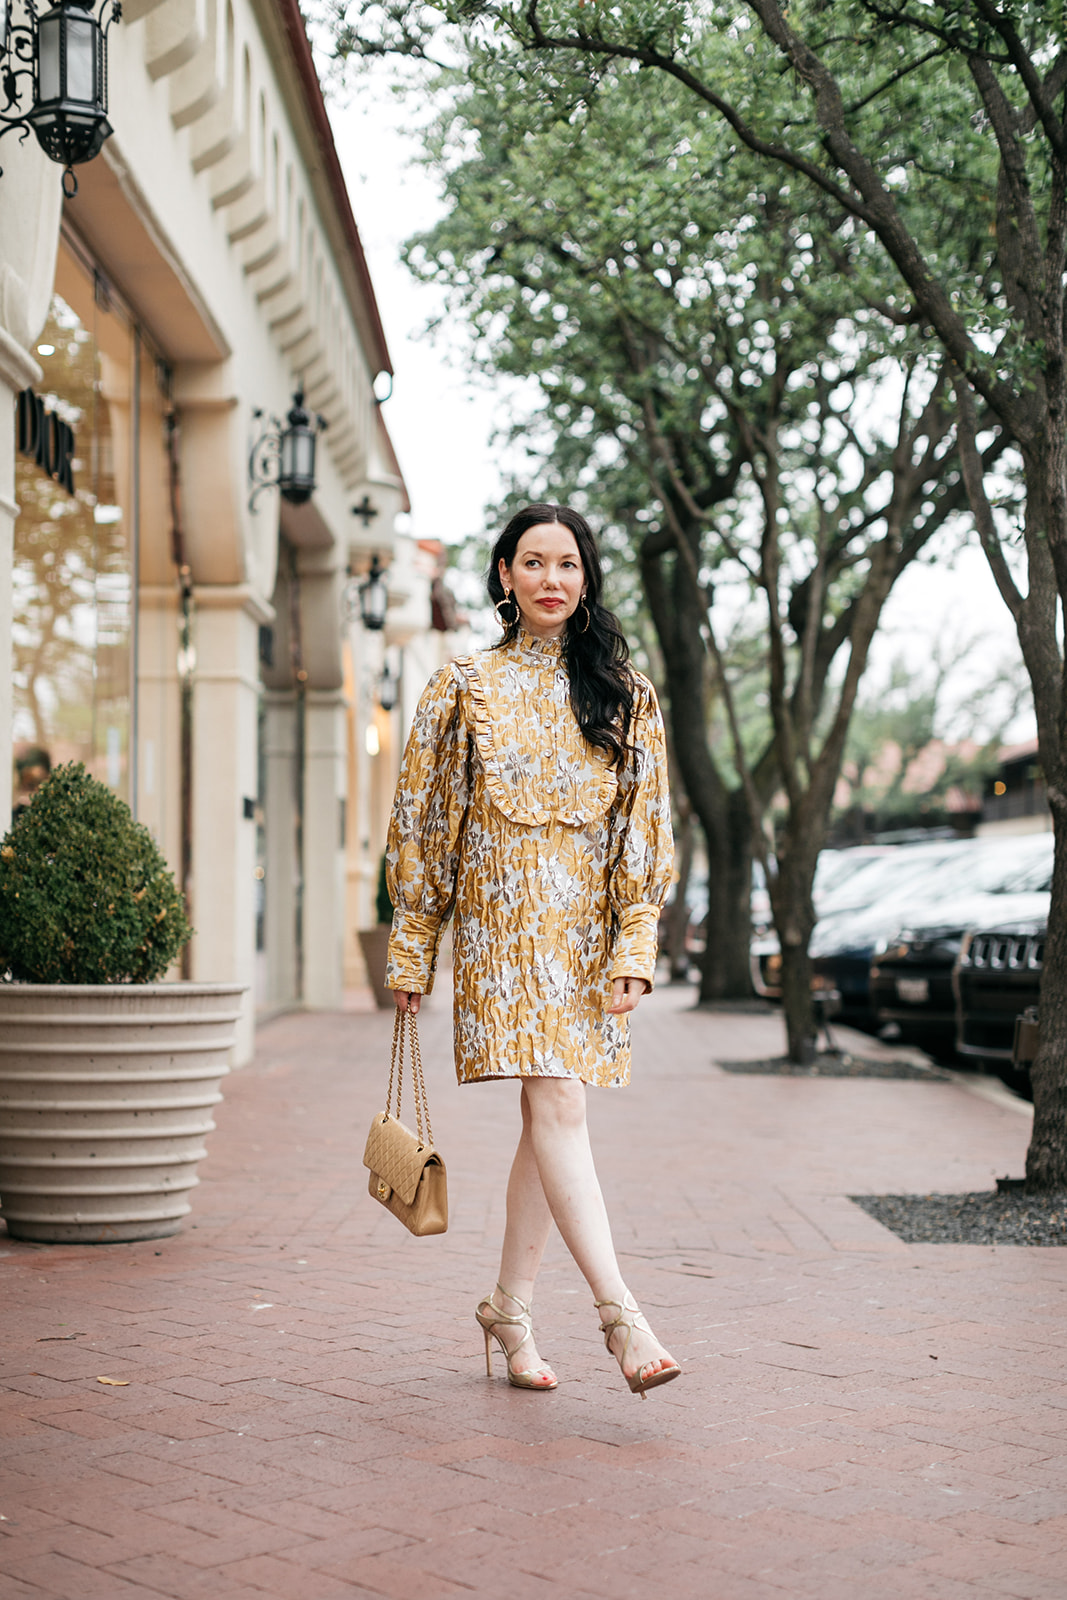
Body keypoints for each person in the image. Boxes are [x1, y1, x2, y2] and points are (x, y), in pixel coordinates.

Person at [385, 504, 680, 1399]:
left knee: (545, 1119)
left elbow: (645, 828)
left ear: (585, 580)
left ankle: (510, 1308)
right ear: (504, 576)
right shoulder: (462, 687)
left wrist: (634, 940)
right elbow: (424, 826)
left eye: (568, 564)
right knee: (557, 1102)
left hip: (585, 938)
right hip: (501, 936)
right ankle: (620, 1317)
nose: (552, 578)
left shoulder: (625, 694)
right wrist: (412, 951)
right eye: (533, 562)